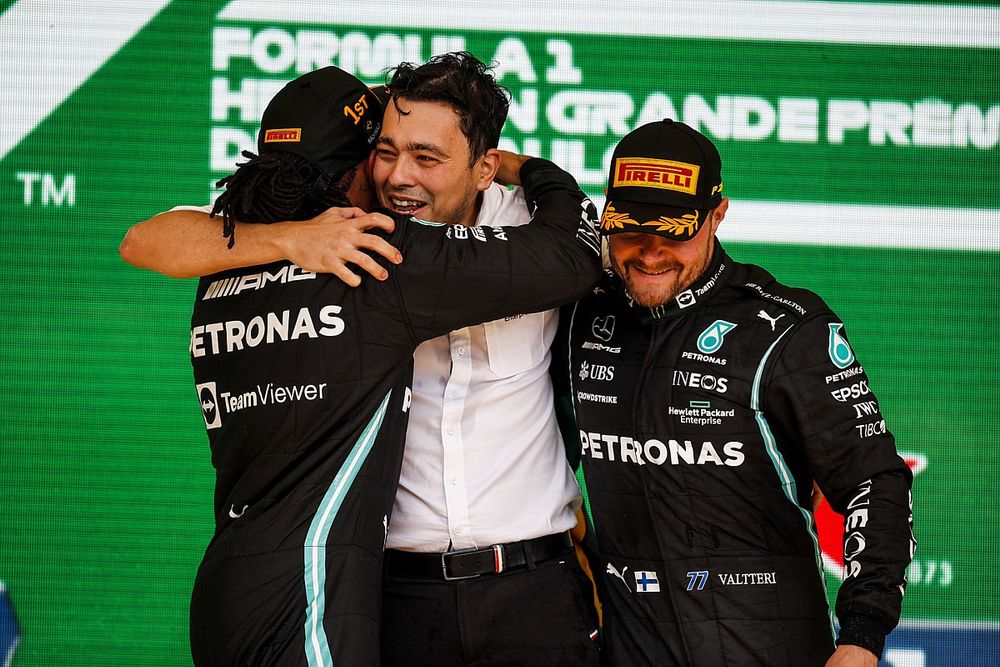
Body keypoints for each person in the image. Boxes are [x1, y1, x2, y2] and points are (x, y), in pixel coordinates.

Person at [122, 53, 602, 667]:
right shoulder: (362, 246)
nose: (400, 176)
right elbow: (570, 260)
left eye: (426, 157)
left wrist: (523, 171)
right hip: (369, 592)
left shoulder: (235, 252)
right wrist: (294, 237)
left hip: (525, 583)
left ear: (481, 167)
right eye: (384, 151)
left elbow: (146, 238)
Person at [553, 119, 915, 666]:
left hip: (774, 649)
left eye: (674, 233)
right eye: (630, 230)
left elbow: (875, 481)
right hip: (634, 650)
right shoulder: (580, 313)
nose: (650, 254)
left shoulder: (784, 327)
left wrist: (862, 636)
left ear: (718, 214)